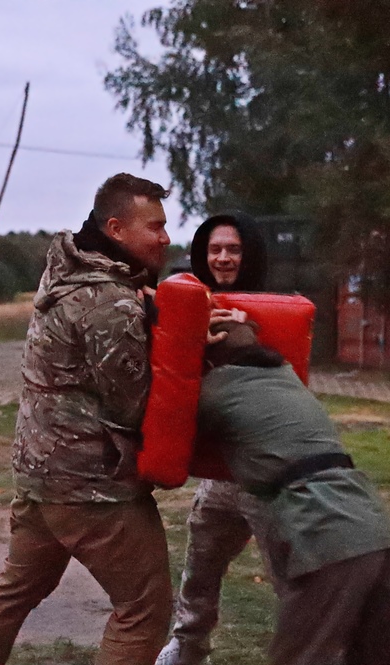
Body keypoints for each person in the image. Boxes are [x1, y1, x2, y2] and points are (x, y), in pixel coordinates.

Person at [0, 173, 174, 665]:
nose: (165, 237)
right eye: (155, 226)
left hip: (40, 474)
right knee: (143, 610)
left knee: (13, 594)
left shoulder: (66, 274)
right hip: (89, 484)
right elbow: (133, 404)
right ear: (116, 229)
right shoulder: (110, 300)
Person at [198, 321, 390, 665]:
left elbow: (153, 419)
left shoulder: (216, 389)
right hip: (376, 526)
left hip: (326, 533)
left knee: (301, 656)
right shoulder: (287, 375)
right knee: (373, 657)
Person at [157, 212, 275, 665]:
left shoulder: (276, 309)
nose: (224, 258)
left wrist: (246, 338)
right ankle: (188, 648)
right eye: (215, 249)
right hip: (221, 472)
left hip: (267, 471)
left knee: (293, 575)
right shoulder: (189, 305)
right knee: (201, 566)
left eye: (234, 249)